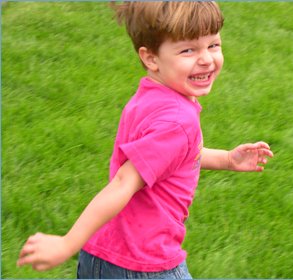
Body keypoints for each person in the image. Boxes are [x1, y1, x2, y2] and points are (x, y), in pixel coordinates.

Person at [17, 2, 273, 279]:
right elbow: (125, 181)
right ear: (151, 58)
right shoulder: (177, 122)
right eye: (188, 50)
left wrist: (226, 159)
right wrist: (67, 243)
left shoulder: (153, 95)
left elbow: (174, 156)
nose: (206, 59)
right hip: (141, 263)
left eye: (213, 45)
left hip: (105, 250)